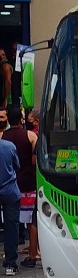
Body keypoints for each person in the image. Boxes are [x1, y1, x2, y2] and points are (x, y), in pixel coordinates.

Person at [2, 107, 38, 268]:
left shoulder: (4, 137)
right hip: (26, 182)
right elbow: (35, 160)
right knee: (30, 218)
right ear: (21, 119)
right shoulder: (30, 136)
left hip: (11, 182)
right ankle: (32, 250)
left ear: (8, 119)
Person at [0, 107, 21, 275]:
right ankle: (10, 264)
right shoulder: (9, 146)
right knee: (11, 227)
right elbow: (17, 166)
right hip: (10, 191)